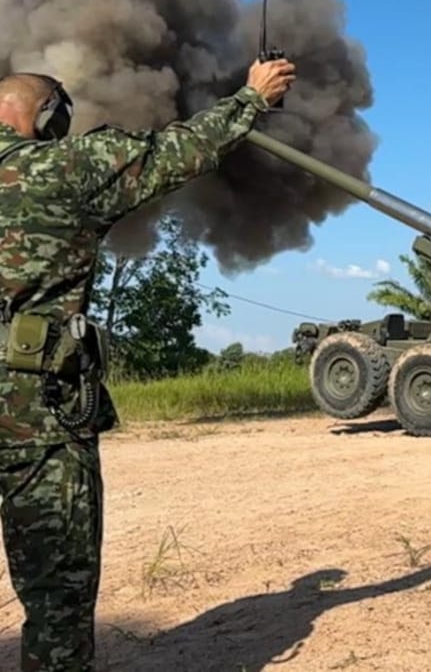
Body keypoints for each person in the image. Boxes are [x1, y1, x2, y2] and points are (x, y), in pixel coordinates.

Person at [0, 58, 295, 671]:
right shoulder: (62, 168)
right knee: (57, 594)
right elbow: (179, 151)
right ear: (51, 121)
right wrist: (251, 98)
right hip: (33, 419)